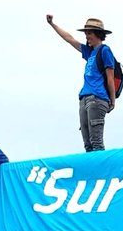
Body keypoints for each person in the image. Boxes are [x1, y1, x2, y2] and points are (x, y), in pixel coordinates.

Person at [45, 16, 118, 152]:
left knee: (96, 142)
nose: (86, 36)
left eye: (89, 33)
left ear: (98, 34)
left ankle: (101, 170)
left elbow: (110, 77)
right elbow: (70, 39)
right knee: (88, 144)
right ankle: (92, 171)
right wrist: (52, 24)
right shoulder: (90, 52)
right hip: (84, 99)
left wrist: (112, 101)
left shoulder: (105, 50)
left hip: (97, 98)